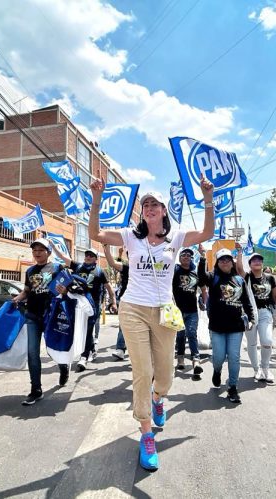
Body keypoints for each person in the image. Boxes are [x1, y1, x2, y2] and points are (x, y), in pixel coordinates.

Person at [89, 174, 214, 472]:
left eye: (154, 203)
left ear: (164, 210)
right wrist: (97, 199)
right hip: (133, 308)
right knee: (142, 371)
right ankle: (146, 433)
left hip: (164, 312)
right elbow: (95, 232)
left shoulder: (178, 237)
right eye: (145, 204)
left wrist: (207, 196)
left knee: (166, 376)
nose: (148, 207)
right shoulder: (130, 236)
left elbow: (208, 231)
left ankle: (159, 399)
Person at [12, 238, 68, 405]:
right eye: (35, 250)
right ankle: (36, 389)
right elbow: (27, 291)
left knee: (53, 349)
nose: (37, 253)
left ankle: (63, 366)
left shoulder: (57, 268)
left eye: (41, 250)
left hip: (51, 316)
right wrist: (16, 299)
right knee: (32, 352)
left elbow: (66, 287)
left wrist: (64, 291)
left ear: (48, 252)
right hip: (32, 316)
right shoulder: (29, 271)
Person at [198, 246, 255, 404]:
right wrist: (202, 257)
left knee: (234, 358)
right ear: (217, 263)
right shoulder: (213, 277)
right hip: (217, 327)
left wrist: (251, 318)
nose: (225, 262)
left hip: (236, 327)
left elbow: (247, 302)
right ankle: (217, 371)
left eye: (228, 259)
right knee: (218, 358)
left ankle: (232, 387)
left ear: (232, 262)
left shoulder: (239, 280)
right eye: (222, 260)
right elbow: (201, 278)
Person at [51, 245, 117, 372]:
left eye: (91, 255)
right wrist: (53, 246)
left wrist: (113, 302)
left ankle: (84, 357)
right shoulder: (77, 266)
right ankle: (91, 349)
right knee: (79, 329)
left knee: (87, 330)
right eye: (86, 255)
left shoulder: (99, 271)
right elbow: (62, 257)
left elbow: (109, 289)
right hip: (76, 304)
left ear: (95, 259)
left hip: (92, 306)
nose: (87, 257)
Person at [236, 248, 276, 383]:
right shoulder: (247, 277)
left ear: (262, 263)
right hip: (249, 314)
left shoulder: (270, 278)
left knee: (267, 341)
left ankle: (266, 369)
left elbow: (275, 295)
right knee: (252, 343)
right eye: (254, 260)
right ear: (250, 264)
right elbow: (239, 268)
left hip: (265, 313)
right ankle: (257, 370)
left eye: (259, 260)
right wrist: (239, 252)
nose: (257, 262)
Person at [172, 247, 207, 379]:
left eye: (189, 255)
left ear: (191, 259)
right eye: (184, 255)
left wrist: (205, 302)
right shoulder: (175, 270)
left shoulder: (195, 273)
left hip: (192, 311)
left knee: (192, 334)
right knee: (180, 336)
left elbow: (204, 289)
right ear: (180, 258)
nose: (186, 257)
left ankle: (196, 361)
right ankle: (180, 358)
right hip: (177, 311)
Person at [103, 243, 129, 360]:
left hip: (145, 301)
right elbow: (113, 263)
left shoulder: (150, 266)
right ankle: (120, 349)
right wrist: (106, 248)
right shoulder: (127, 267)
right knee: (123, 325)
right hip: (127, 300)